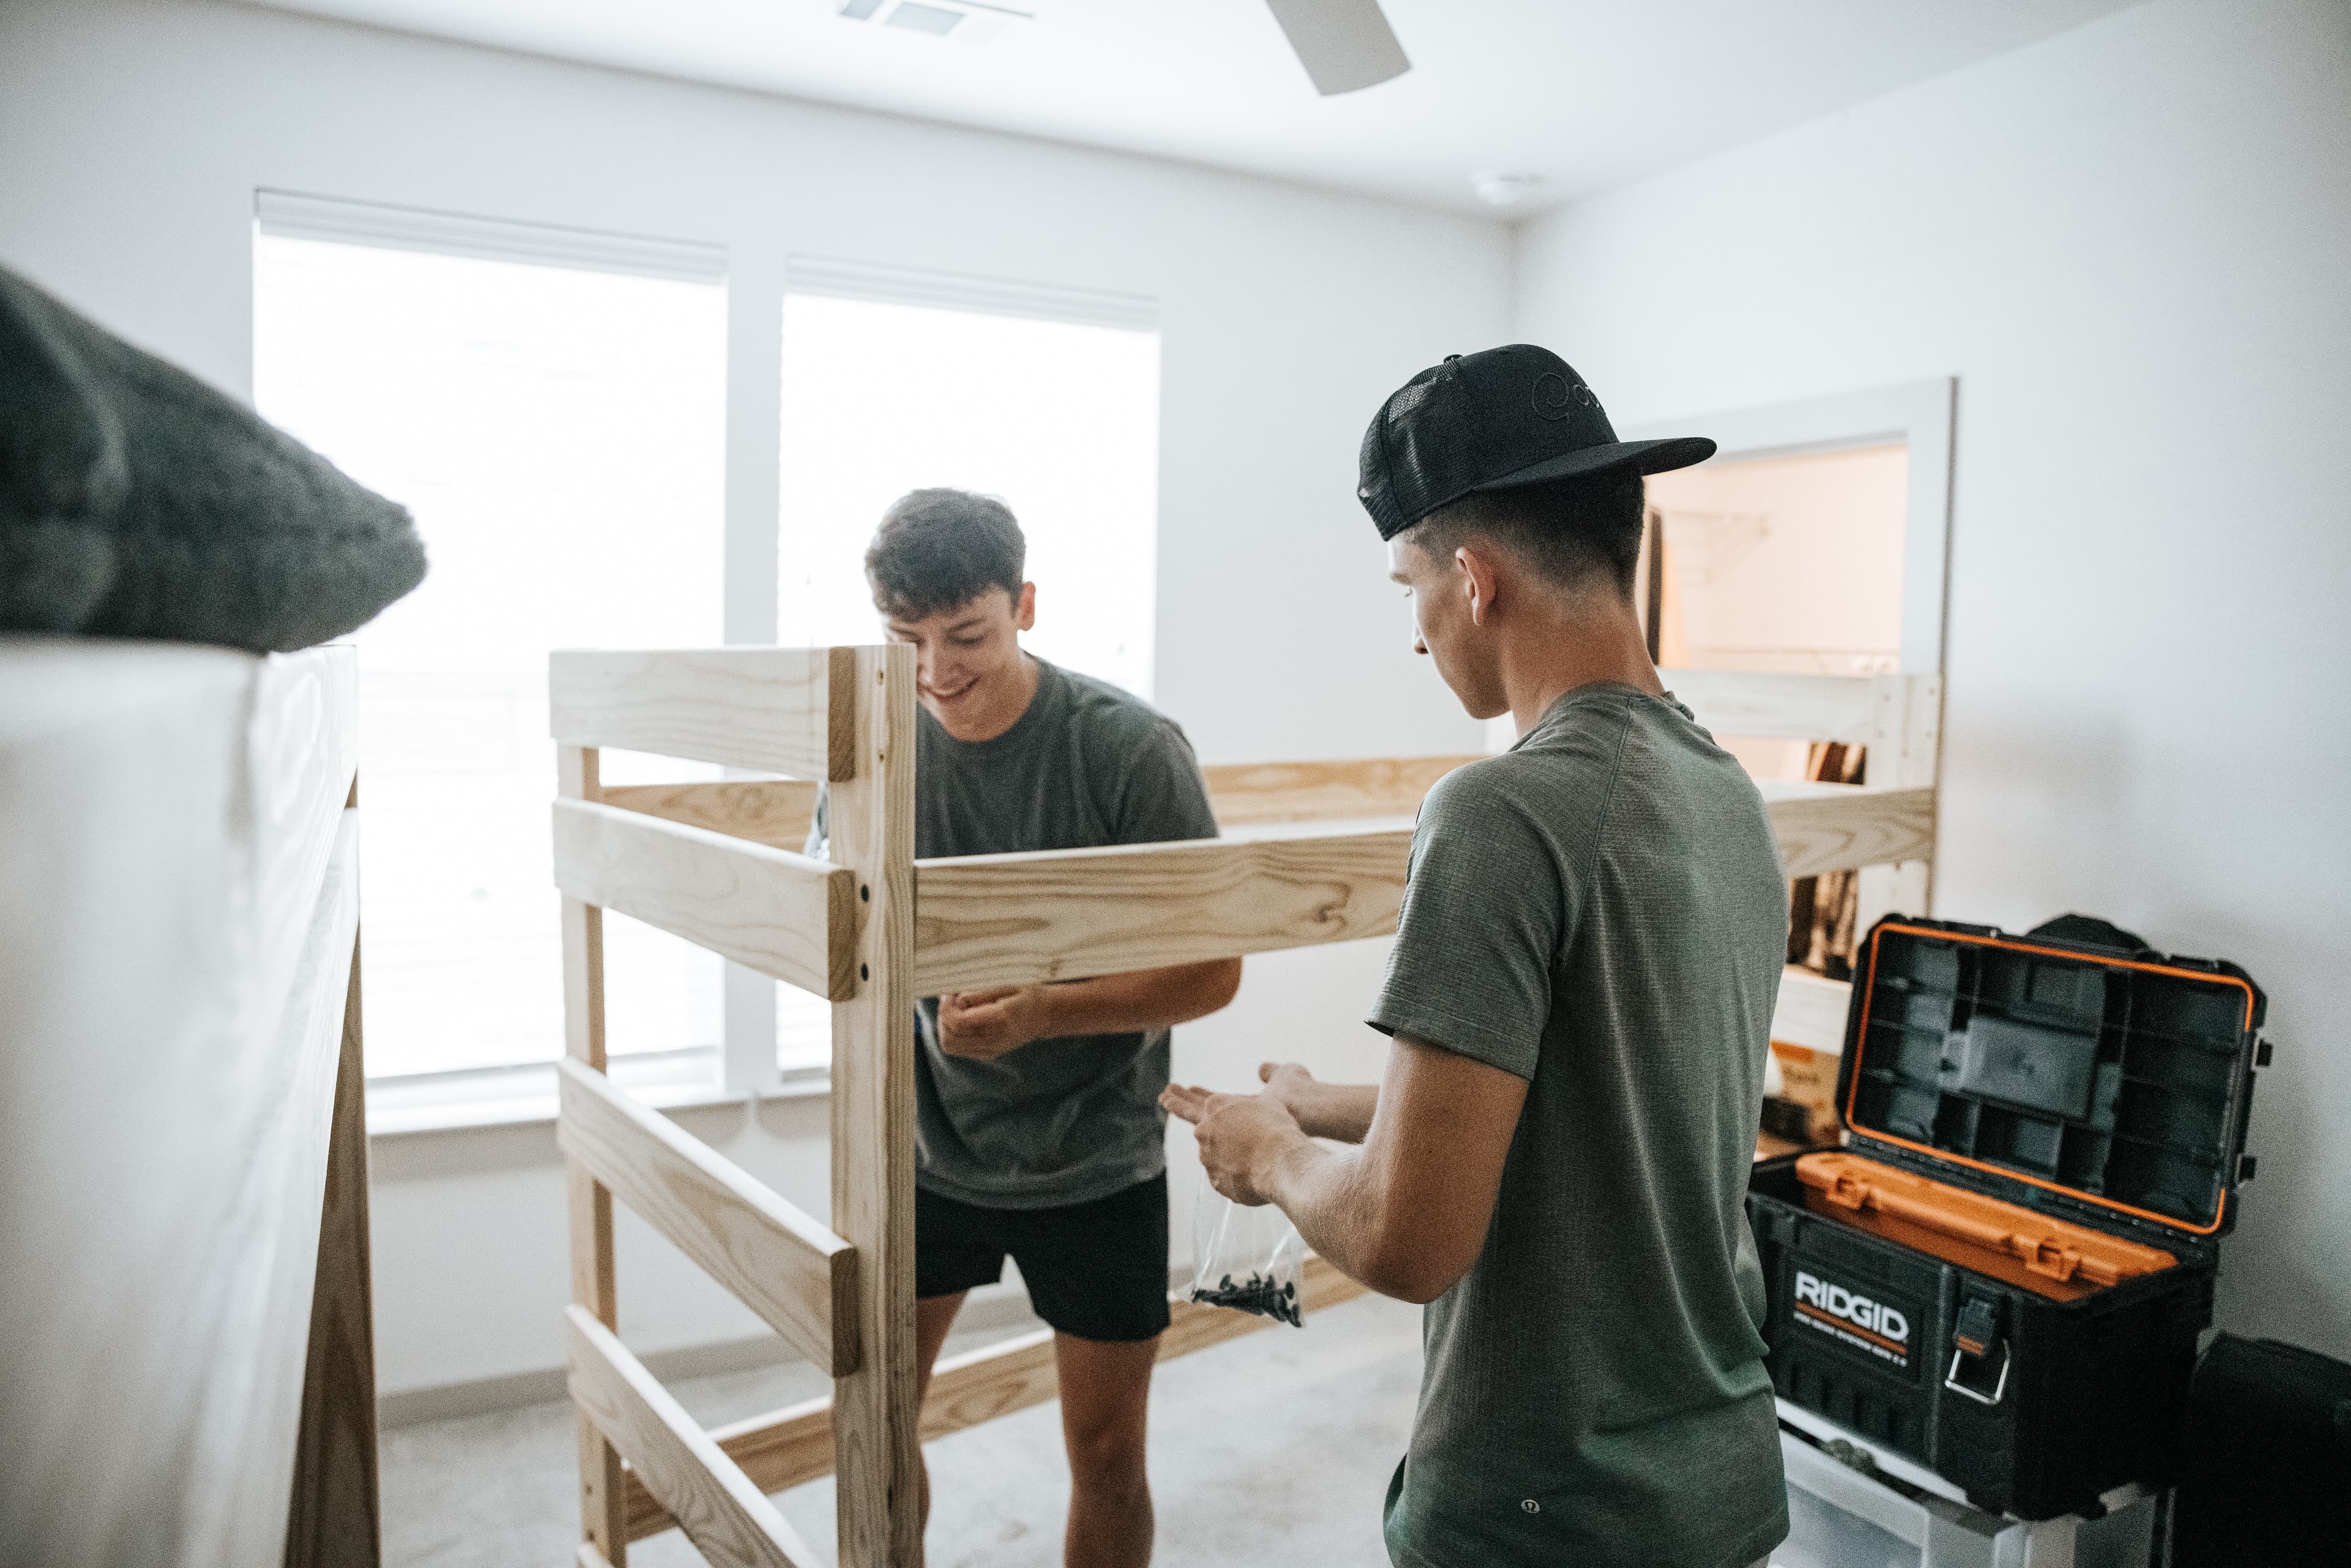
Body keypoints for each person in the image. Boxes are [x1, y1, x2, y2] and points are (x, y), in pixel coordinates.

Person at [1163, 345, 1790, 1568]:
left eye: (1410, 587)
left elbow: (1409, 1241)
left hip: (1548, 1510)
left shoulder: (1500, 813)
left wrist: (1273, 1151)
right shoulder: (1724, 794)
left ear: (1473, 577)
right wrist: (1331, 1105)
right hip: (1718, 1485)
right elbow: (1605, 1096)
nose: (1415, 632)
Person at [818, 487, 1240, 1568]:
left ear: (1027, 606)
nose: (935, 672)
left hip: (1098, 1156)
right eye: (905, 642)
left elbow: (1212, 969)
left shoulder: (1129, 751)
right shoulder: (873, 747)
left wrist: (1050, 1012)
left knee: (1106, 1458)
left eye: (967, 636)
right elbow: (838, 933)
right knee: (869, 1430)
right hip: (927, 1152)